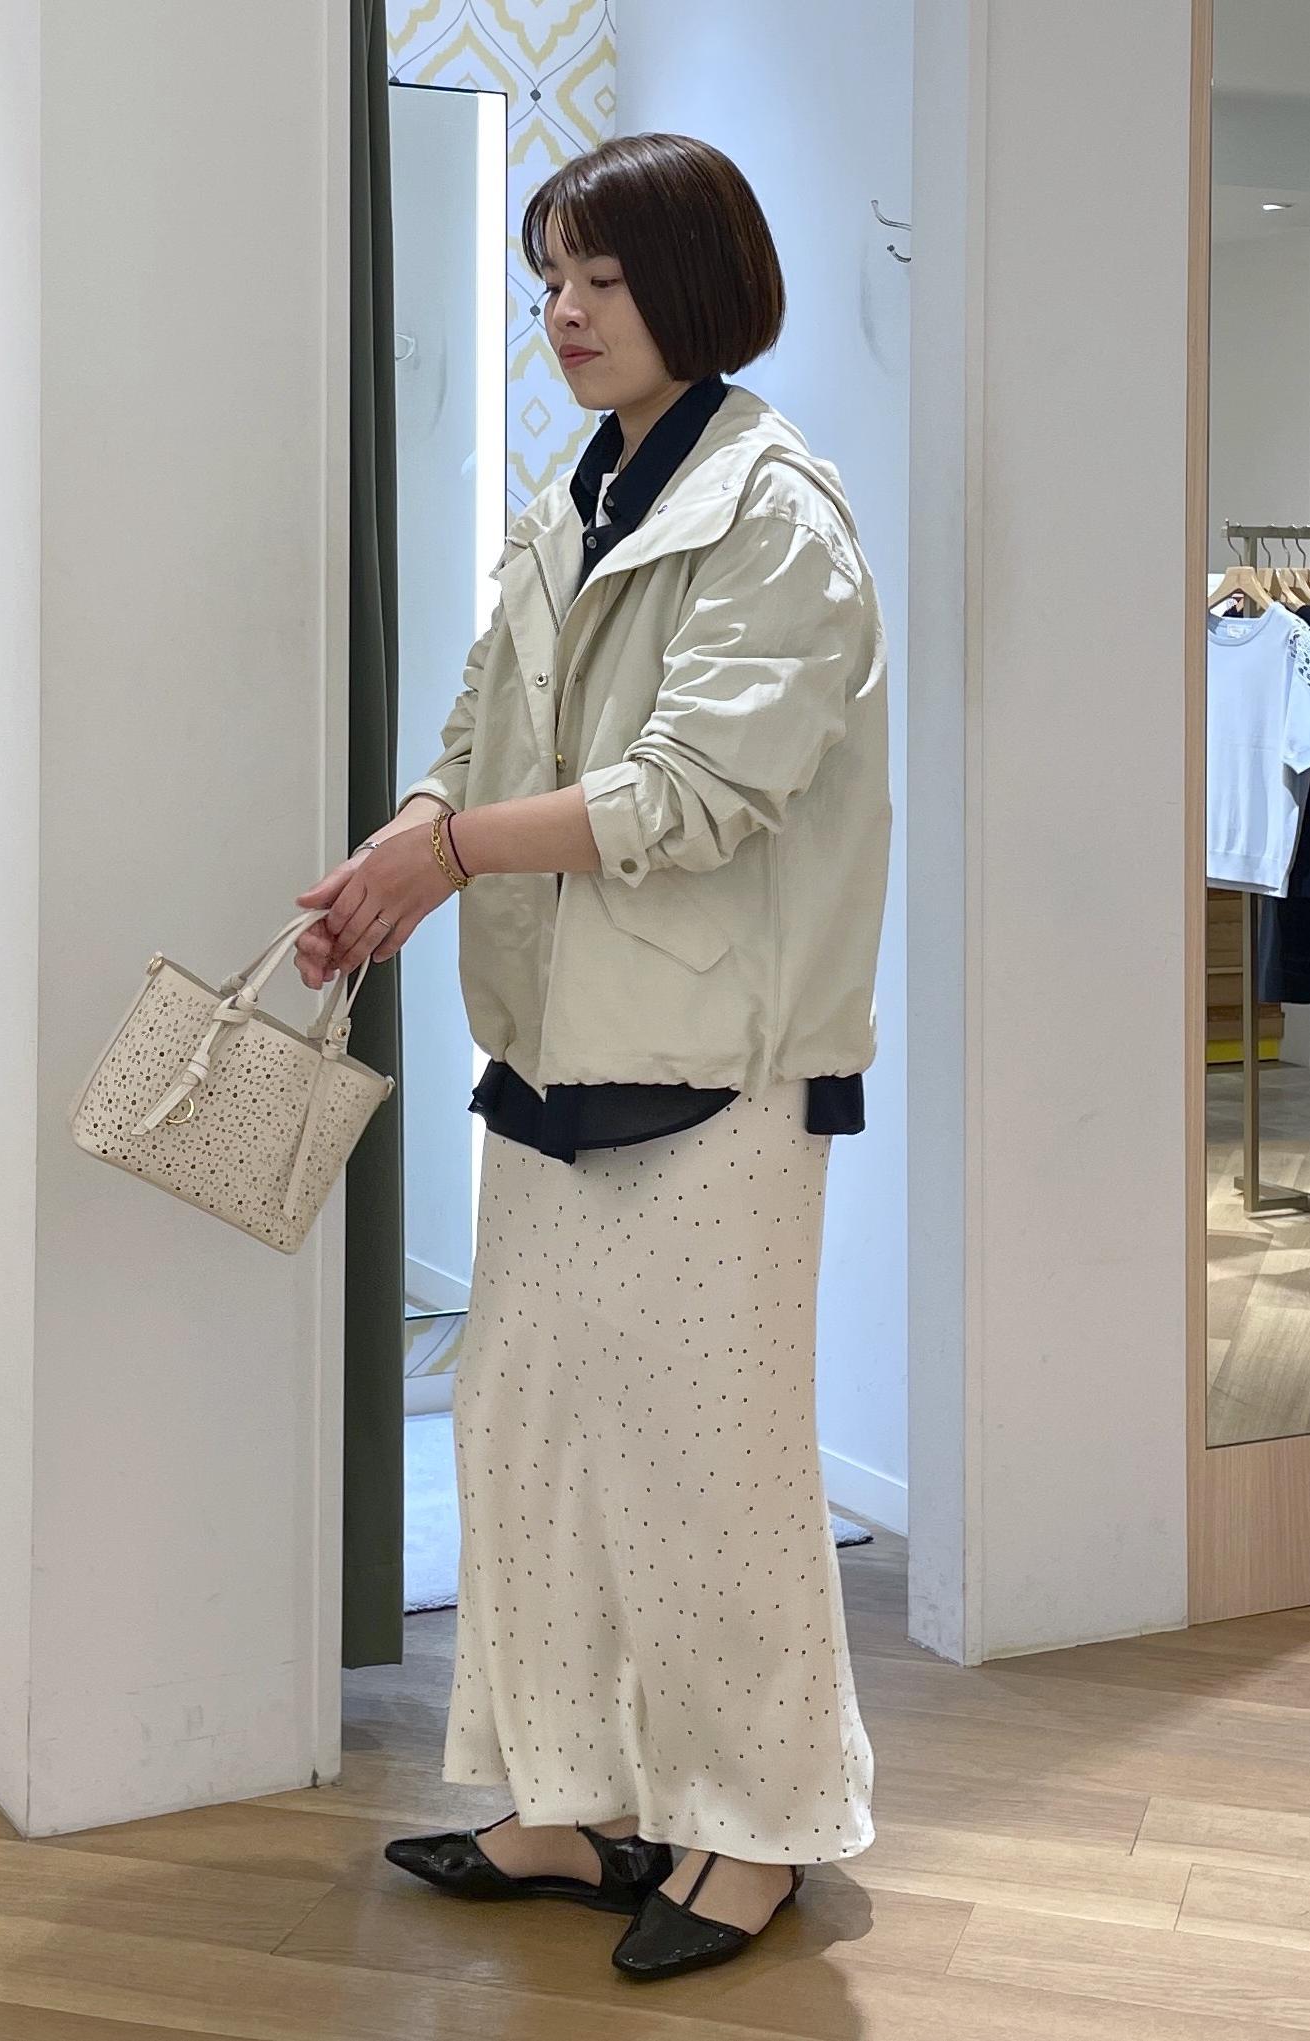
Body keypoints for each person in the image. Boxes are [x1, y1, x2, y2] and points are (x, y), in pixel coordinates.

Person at [296, 130, 890, 1983]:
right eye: (547, 277)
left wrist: (456, 852)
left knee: (711, 1467)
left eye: (599, 280)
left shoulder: (777, 517)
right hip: (553, 1050)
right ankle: (569, 1797)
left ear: (693, 288)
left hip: (717, 1069)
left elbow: (694, 794)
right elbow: (479, 730)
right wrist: (406, 848)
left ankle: (755, 1827)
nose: (560, 311)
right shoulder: (577, 497)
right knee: (533, 1436)